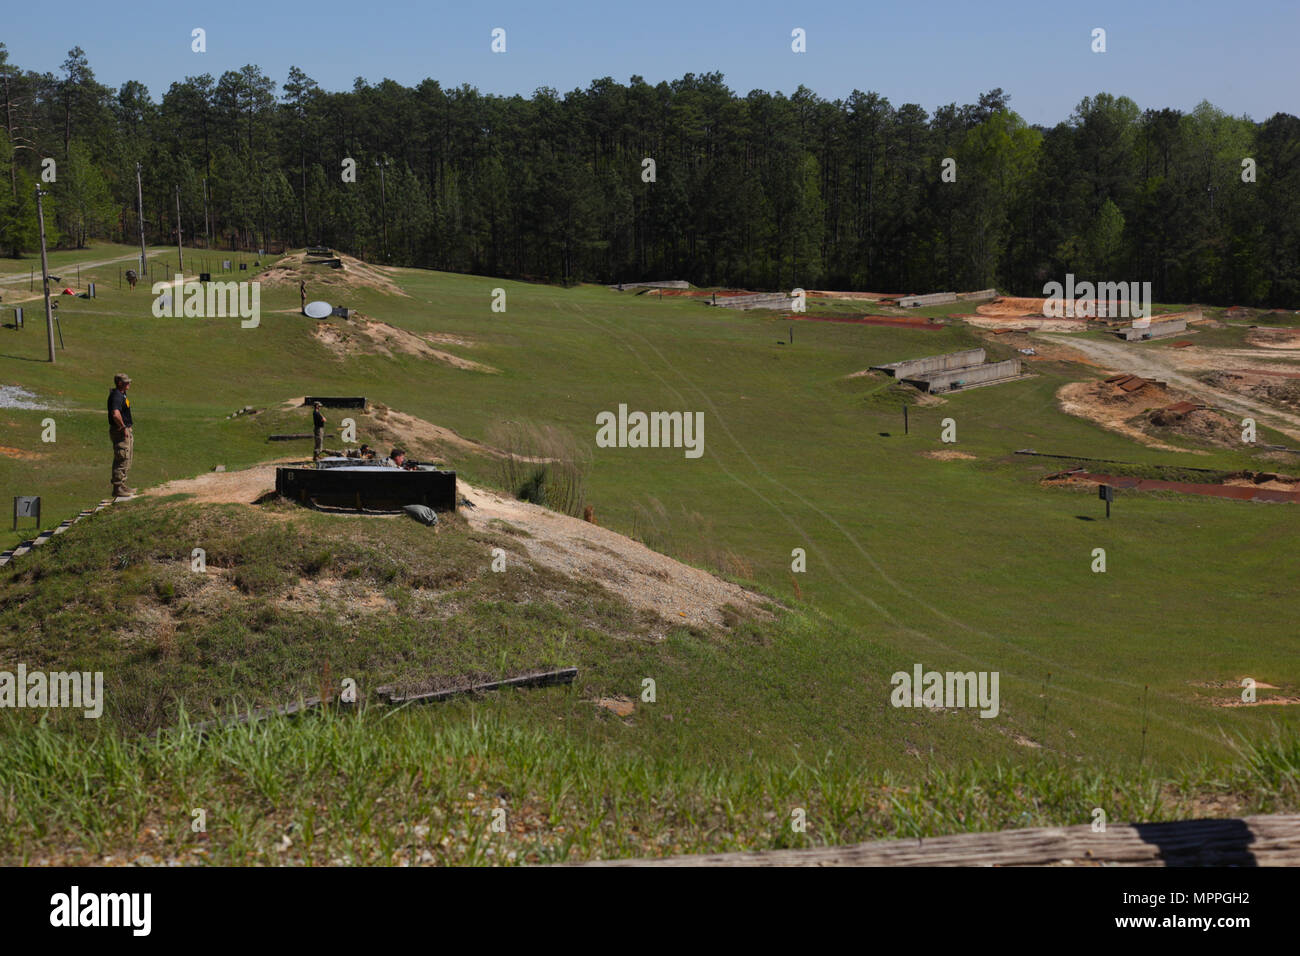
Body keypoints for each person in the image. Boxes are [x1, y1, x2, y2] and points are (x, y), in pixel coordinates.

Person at [107, 373, 135, 498]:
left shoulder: (122, 394)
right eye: (126, 382)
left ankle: (122, 485)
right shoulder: (116, 396)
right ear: (119, 383)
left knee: (126, 457)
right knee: (122, 457)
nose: (129, 384)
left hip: (124, 430)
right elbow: (115, 414)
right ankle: (118, 487)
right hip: (120, 430)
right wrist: (123, 427)